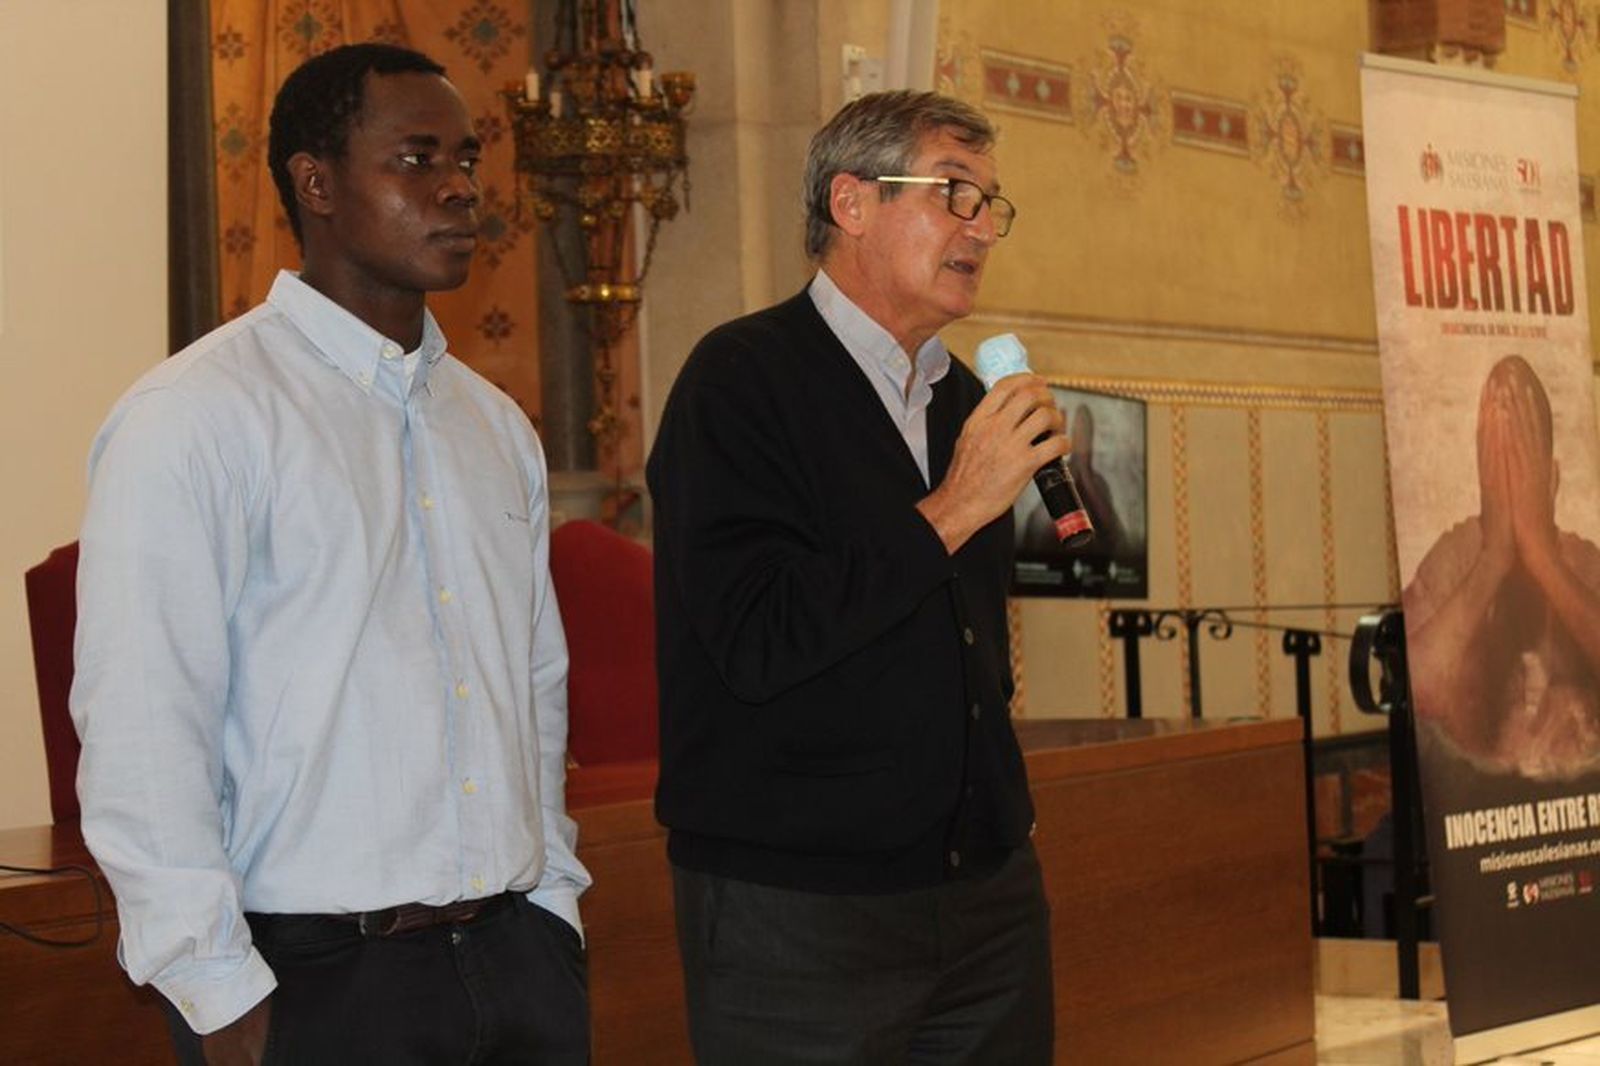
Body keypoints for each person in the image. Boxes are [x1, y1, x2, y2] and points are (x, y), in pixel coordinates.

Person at [71, 44, 589, 1064]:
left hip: (514, 958)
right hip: (315, 979)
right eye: (415, 159)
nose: (459, 190)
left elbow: (532, 692)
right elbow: (141, 724)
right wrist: (217, 993)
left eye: (469, 159)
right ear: (316, 183)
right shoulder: (197, 416)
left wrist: (553, 908)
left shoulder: (493, 426)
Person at [647, 90, 1064, 1064]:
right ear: (850, 203)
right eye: (951, 193)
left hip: (983, 898)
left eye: (990, 203)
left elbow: (969, 645)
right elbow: (758, 638)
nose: (979, 228)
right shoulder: (741, 380)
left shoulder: (968, 400)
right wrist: (956, 503)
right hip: (797, 910)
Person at [1404, 354, 1600, 778]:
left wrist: (1542, 557)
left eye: (1524, 475)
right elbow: (1416, 691)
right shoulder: (1459, 553)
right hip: (1467, 812)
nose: (1511, 493)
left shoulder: (1583, 561)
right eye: (1498, 473)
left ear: (1551, 482)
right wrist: (1493, 558)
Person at [1019, 401, 1126, 556]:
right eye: (1078, 431)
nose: (1082, 438)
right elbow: (1035, 524)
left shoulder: (1098, 481)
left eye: (1085, 432)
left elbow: (1111, 529)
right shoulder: (1056, 471)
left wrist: (1086, 476)